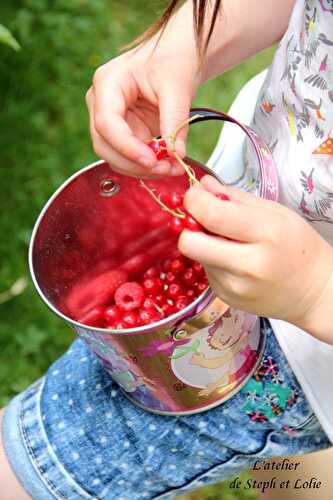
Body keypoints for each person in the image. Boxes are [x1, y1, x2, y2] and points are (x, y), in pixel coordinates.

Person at [1, 0, 333, 498]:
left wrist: (316, 290)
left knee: (23, 468)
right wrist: (189, 41)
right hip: (258, 173)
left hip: (300, 351)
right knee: (287, 465)